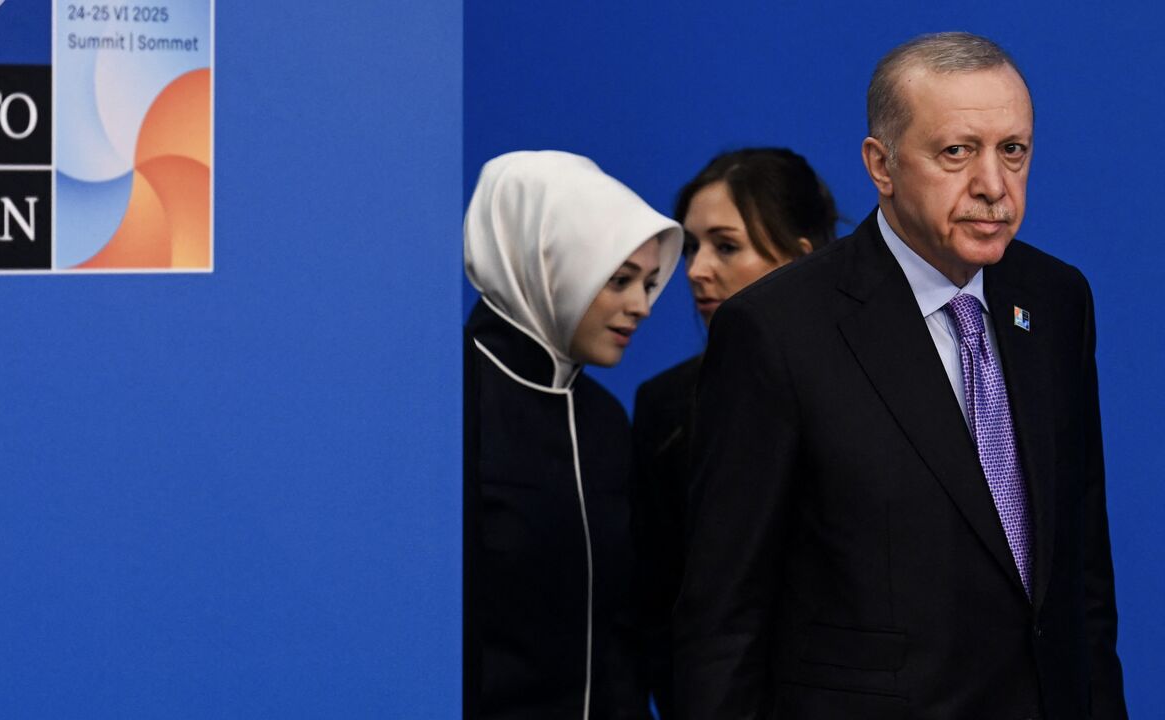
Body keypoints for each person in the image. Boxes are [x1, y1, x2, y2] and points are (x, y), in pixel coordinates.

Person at [674, 32, 1127, 719]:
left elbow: (1081, 578)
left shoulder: (1058, 300)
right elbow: (722, 618)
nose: (993, 186)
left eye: (1013, 150)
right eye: (956, 151)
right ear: (880, 166)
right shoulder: (777, 329)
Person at [464, 150, 683, 719]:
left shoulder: (606, 420)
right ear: (546, 264)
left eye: (650, 282)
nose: (641, 307)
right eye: (619, 280)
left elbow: (624, 628)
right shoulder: (446, 404)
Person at [630, 148, 837, 718]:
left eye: (725, 246)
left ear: (801, 257)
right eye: (692, 247)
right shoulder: (663, 404)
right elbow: (657, 600)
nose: (695, 270)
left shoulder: (884, 388)